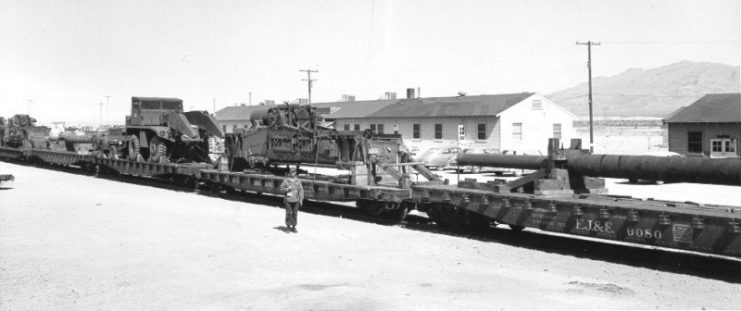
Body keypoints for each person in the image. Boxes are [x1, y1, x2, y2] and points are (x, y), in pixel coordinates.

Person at [279, 167, 304, 232]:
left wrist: (301, 200)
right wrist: (287, 189)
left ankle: (293, 227)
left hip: (296, 200)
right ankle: (288, 227)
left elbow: (301, 191)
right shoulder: (286, 180)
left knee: (295, 214)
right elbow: (281, 188)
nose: (292, 173)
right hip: (288, 200)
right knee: (288, 214)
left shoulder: (298, 181)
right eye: (291, 172)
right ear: (289, 173)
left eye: (294, 172)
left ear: (295, 173)